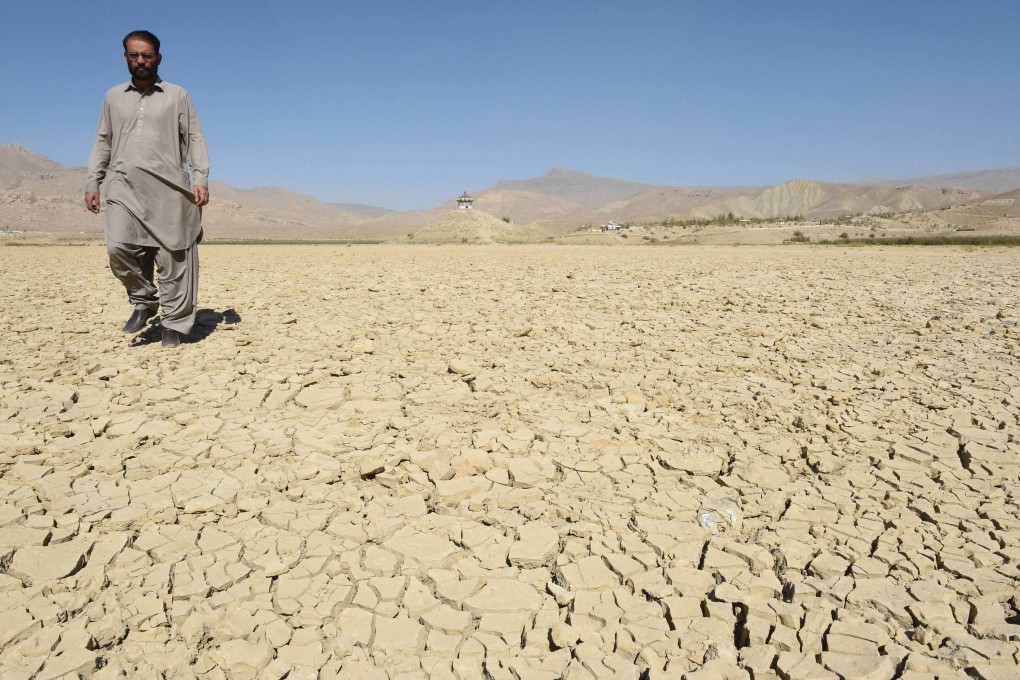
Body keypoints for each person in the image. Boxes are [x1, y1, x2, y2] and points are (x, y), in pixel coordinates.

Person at [85, 29, 209, 348]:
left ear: (158, 58)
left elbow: (194, 137)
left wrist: (200, 178)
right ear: (126, 57)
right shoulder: (113, 96)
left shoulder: (177, 95)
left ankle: (174, 323)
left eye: (147, 55)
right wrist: (93, 181)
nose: (140, 61)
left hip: (168, 186)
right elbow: (103, 140)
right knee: (118, 248)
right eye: (134, 55)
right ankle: (144, 299)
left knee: (174, 258)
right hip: (123, 185)